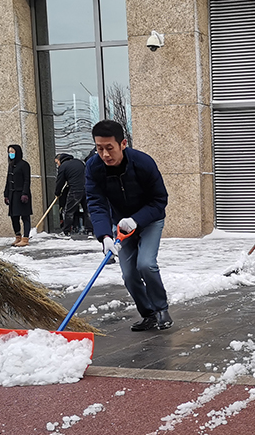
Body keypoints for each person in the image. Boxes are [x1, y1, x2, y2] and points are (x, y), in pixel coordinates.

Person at [85, 119, 172, 331]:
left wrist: (136, 219)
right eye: (99, 148)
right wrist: (104, 236)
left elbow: (160, 200)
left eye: (109, 148)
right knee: (129, 274)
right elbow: (96, 204)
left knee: (146, 264)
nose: (105, 154)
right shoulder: (94, 167)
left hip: (149, 219)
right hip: (121, 226)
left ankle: (161, 309)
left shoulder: (143, 163)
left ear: (123, 143)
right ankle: (148, 314)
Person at [55, 152, 90, 235]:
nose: (57, 164)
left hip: (75, 190)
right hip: (86, 188)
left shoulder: (63, 166)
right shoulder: (79, 162)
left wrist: (57, 193)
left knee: (69, 211)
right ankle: (90, 230)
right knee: (87, 211)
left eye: (57, 162)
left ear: (60, 160)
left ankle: (66, 231)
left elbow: (60, 181)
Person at [4, 144, 32, 247]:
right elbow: (8, 180)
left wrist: (25, 193)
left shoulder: (24, 165)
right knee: (14, 216)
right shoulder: (11, 165)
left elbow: (27, 180)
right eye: (9, 152)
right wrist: (6, 194)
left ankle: (25, 238)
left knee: (25, 217)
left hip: (21, 194)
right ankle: (18, 236)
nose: (10, 154)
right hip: (12, 194)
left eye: (12, 151)